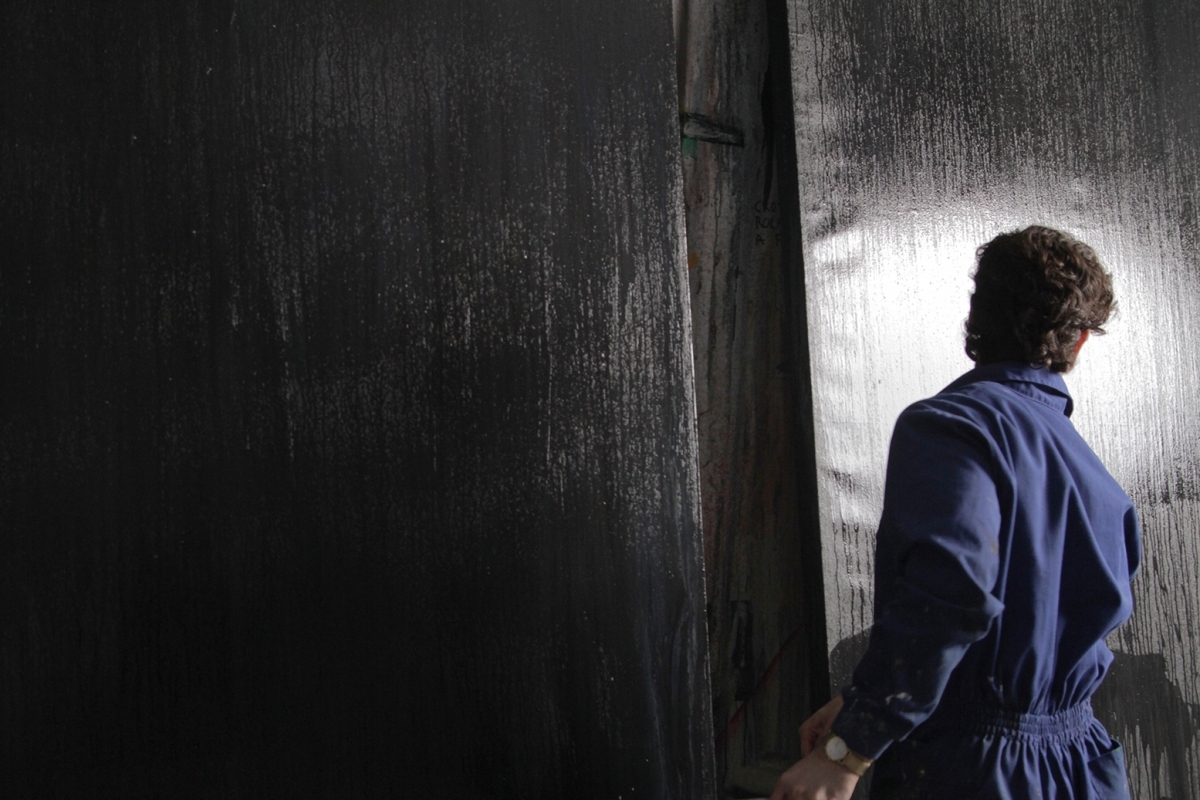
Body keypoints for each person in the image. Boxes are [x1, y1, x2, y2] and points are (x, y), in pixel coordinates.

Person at [770, 226, 1141, 799]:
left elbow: (953, 591)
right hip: (1078, 766)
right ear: (1080, 342)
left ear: (976, 316)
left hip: (972, 772)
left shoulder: (950, 426)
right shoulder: (1095, 476)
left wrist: (848, 748)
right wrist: (861, 699)